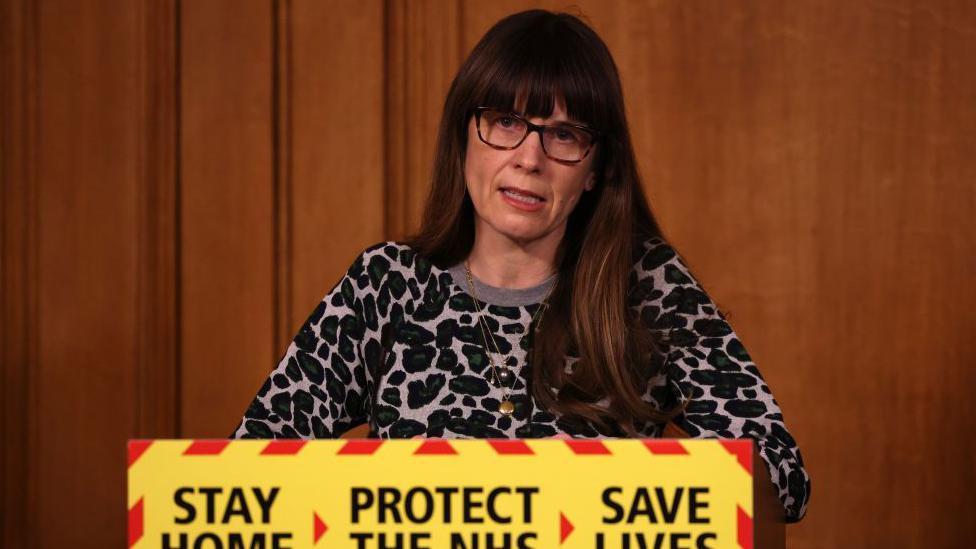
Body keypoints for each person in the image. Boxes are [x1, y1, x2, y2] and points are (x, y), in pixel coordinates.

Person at [232, 9, 810, 522]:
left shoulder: (643, 284)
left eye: (563, 134)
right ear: (464, 136)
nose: (529, 158)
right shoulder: (387, 286)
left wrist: (644, 491)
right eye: (506, 121)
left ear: (594, 170)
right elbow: (245, 471)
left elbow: (782, 479)